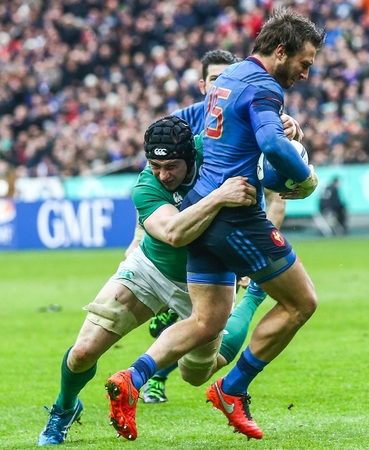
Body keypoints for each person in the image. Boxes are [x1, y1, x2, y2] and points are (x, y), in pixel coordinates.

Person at [105, 8, 325, 441]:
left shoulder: (229, 78)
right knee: (301, 303)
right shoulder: (264, 87)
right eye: (305, 62)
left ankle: (133, 378)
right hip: (237, 217)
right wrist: (304, 178)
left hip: (200, 207)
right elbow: (267, 145)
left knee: (207, 322)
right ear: (281, 51)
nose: (306, 73)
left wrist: (278, 131)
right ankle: (232, 389)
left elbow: (218, 127)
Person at [37, 115, 257, 446]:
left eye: (171, 166)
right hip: (150, 269)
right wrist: (219, 196)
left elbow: (248, 131)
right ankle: (64, 408)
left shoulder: (211, 150)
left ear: (190, 156)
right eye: (155, 165)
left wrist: (282, 126)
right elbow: (173, 233)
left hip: (206, 279)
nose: (162, 174)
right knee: (83, 351)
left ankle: (254, 296)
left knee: (197, 374)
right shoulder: (145, 186)